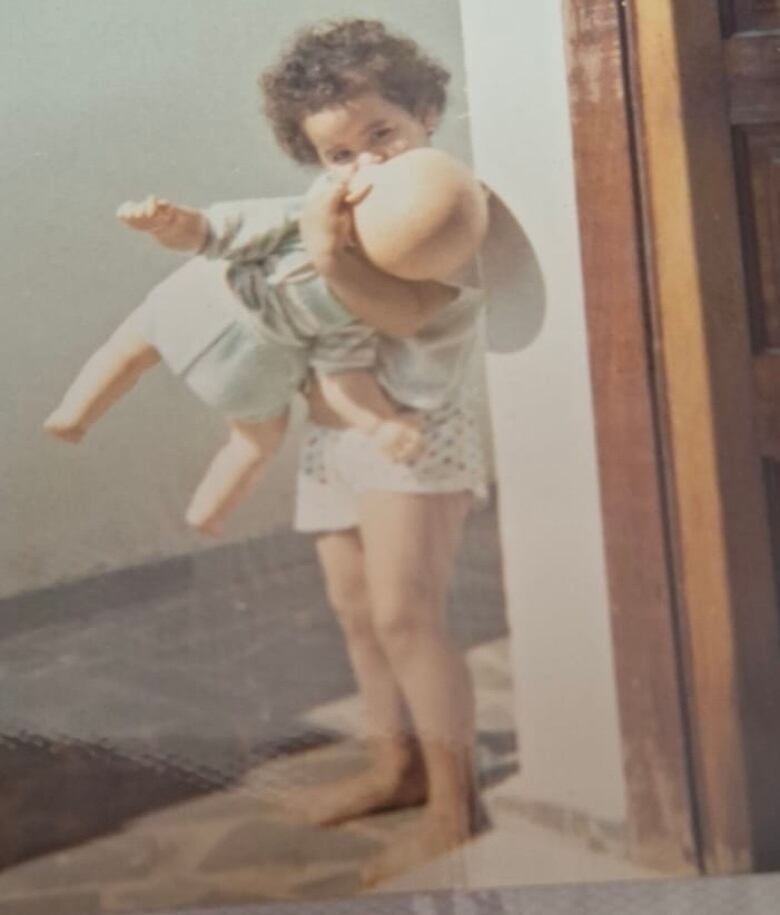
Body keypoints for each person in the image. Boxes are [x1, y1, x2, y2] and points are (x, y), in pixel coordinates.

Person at [259, 20, 492, 884]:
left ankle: (455, 803)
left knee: (406, 613)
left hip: (420, 435)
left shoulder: (444, 203)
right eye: (337, 153)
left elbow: (407, 314)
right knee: (356, 609)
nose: (364, 165)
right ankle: (397, 764)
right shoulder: (353, 203)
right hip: (344, 432)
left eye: (381, 135)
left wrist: (323, 250)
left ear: (425, 113)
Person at [43, 147, 487, 537]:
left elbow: (210, 233)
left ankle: (75, 414)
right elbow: (341, 375)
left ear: (354, 197)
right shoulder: (360, 310)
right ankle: (209, 510)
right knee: (253, 446)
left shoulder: (301, 218)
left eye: (384, 168)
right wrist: (378, 424)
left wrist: (169, 225)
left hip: (201, 310)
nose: (371, 158)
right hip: (253, 370)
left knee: (124, 353)